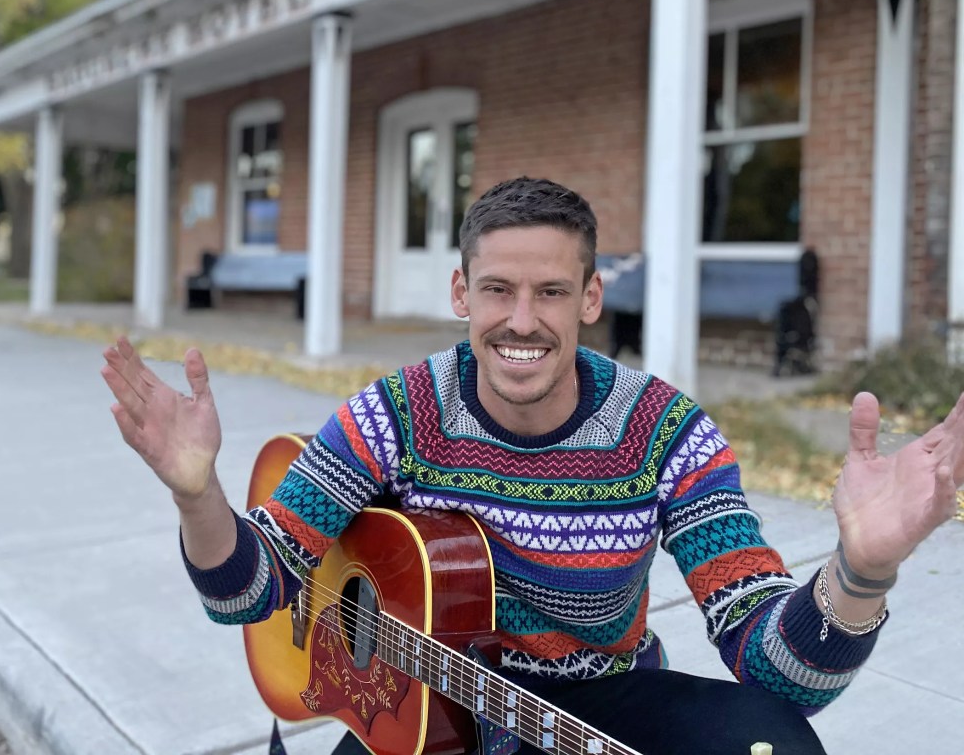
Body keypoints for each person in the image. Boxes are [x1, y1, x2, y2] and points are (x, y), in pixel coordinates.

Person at [100, 176, 964, 755]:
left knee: (773, 740)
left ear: (591, 297)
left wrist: (862, 570)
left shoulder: (664, 431)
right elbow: (255, 594)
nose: (523, 320)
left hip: (596, 698)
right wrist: (198, 496)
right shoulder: (394, 412)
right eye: (499, 291)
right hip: (416, 709)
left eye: (552, 291)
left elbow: (775, 670)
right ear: (461, 294)